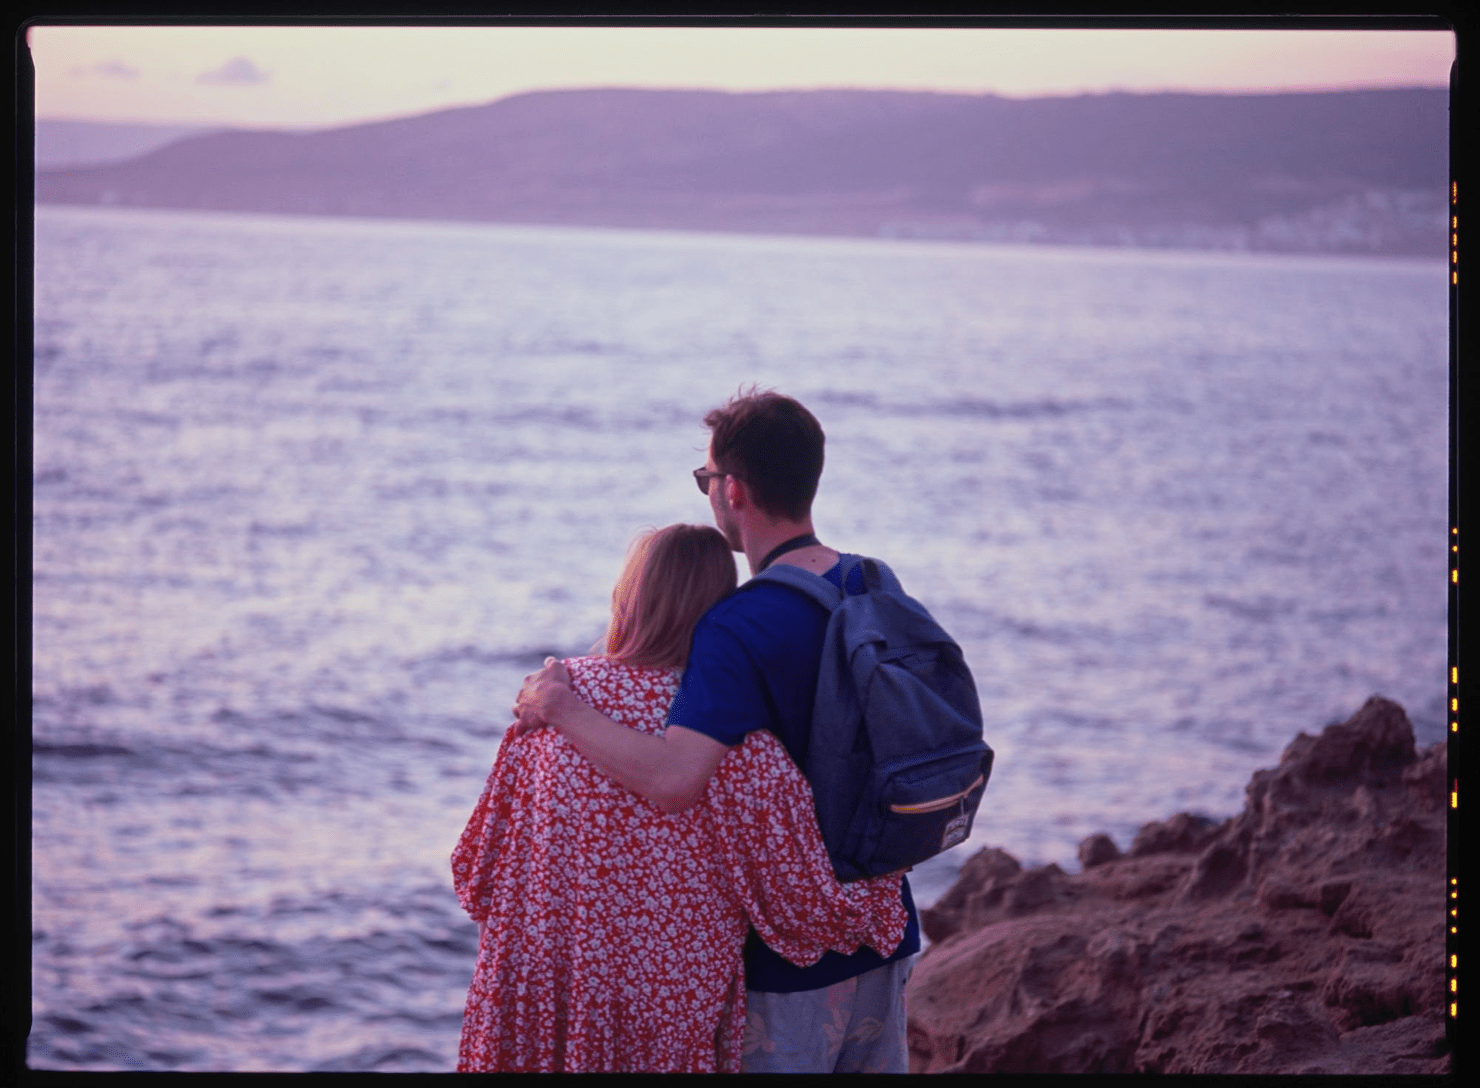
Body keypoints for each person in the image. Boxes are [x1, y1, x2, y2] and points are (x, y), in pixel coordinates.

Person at [516, 390, 922, 1074]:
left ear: (733, 489)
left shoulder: (736, 626)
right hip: (886, 926)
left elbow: (675, 780)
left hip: (792, 959)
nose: (707, 493)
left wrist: (563, 710)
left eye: (706, 479)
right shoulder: (871, 582)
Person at [453, 523, 906, 1073]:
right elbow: (801, 903)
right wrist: (882, 894)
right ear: (718, 614)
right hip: (661, 1022)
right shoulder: (736, 744)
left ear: (628, 597)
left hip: (537, 1002)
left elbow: (477, 875)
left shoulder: (547, 702)